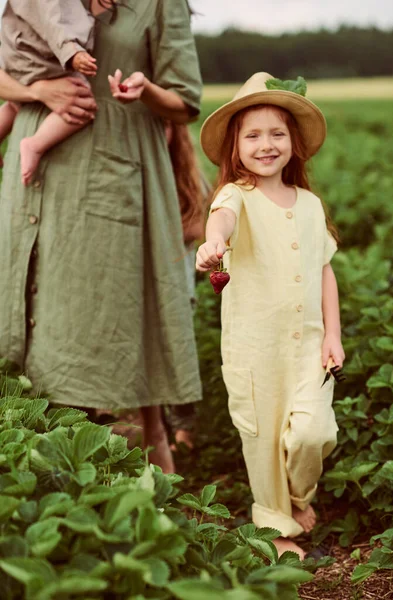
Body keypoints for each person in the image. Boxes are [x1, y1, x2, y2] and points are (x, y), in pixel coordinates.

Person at [0, 0, 203, 475]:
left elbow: (186, 101)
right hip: (31, 175)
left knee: (96, 308)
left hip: (110, 167)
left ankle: (139, 444)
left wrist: (146, 89)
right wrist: (40, 90)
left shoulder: (159, 4)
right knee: (32, 303)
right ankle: (41, 461)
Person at [196, 72, 345, 559]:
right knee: (260, 440)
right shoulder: (236, 196)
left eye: (276, 133)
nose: (266, 145)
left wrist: (333, 337)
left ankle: (300, 496)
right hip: (254, 349)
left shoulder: (310, 203)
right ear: (234, 147)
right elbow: (222, 219)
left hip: (307, 346)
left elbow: (324, 271)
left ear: (294, 143)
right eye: (252, 135)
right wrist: (215, 241)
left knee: (313, 431)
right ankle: (276, 523)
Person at [0, 0, 97, 185]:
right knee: (84, 100)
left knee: (13, 106)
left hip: (15, 58)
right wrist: (73, 53)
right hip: (36, 61)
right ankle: (35, 144)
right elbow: (55, 22)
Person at [164, 119, 211, 450]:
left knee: (177, 346)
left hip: (175, 277)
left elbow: (196, 228)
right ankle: (156, 426)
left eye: (164, 125)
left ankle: (183, 429)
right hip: (138, 276)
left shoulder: (182, 169)